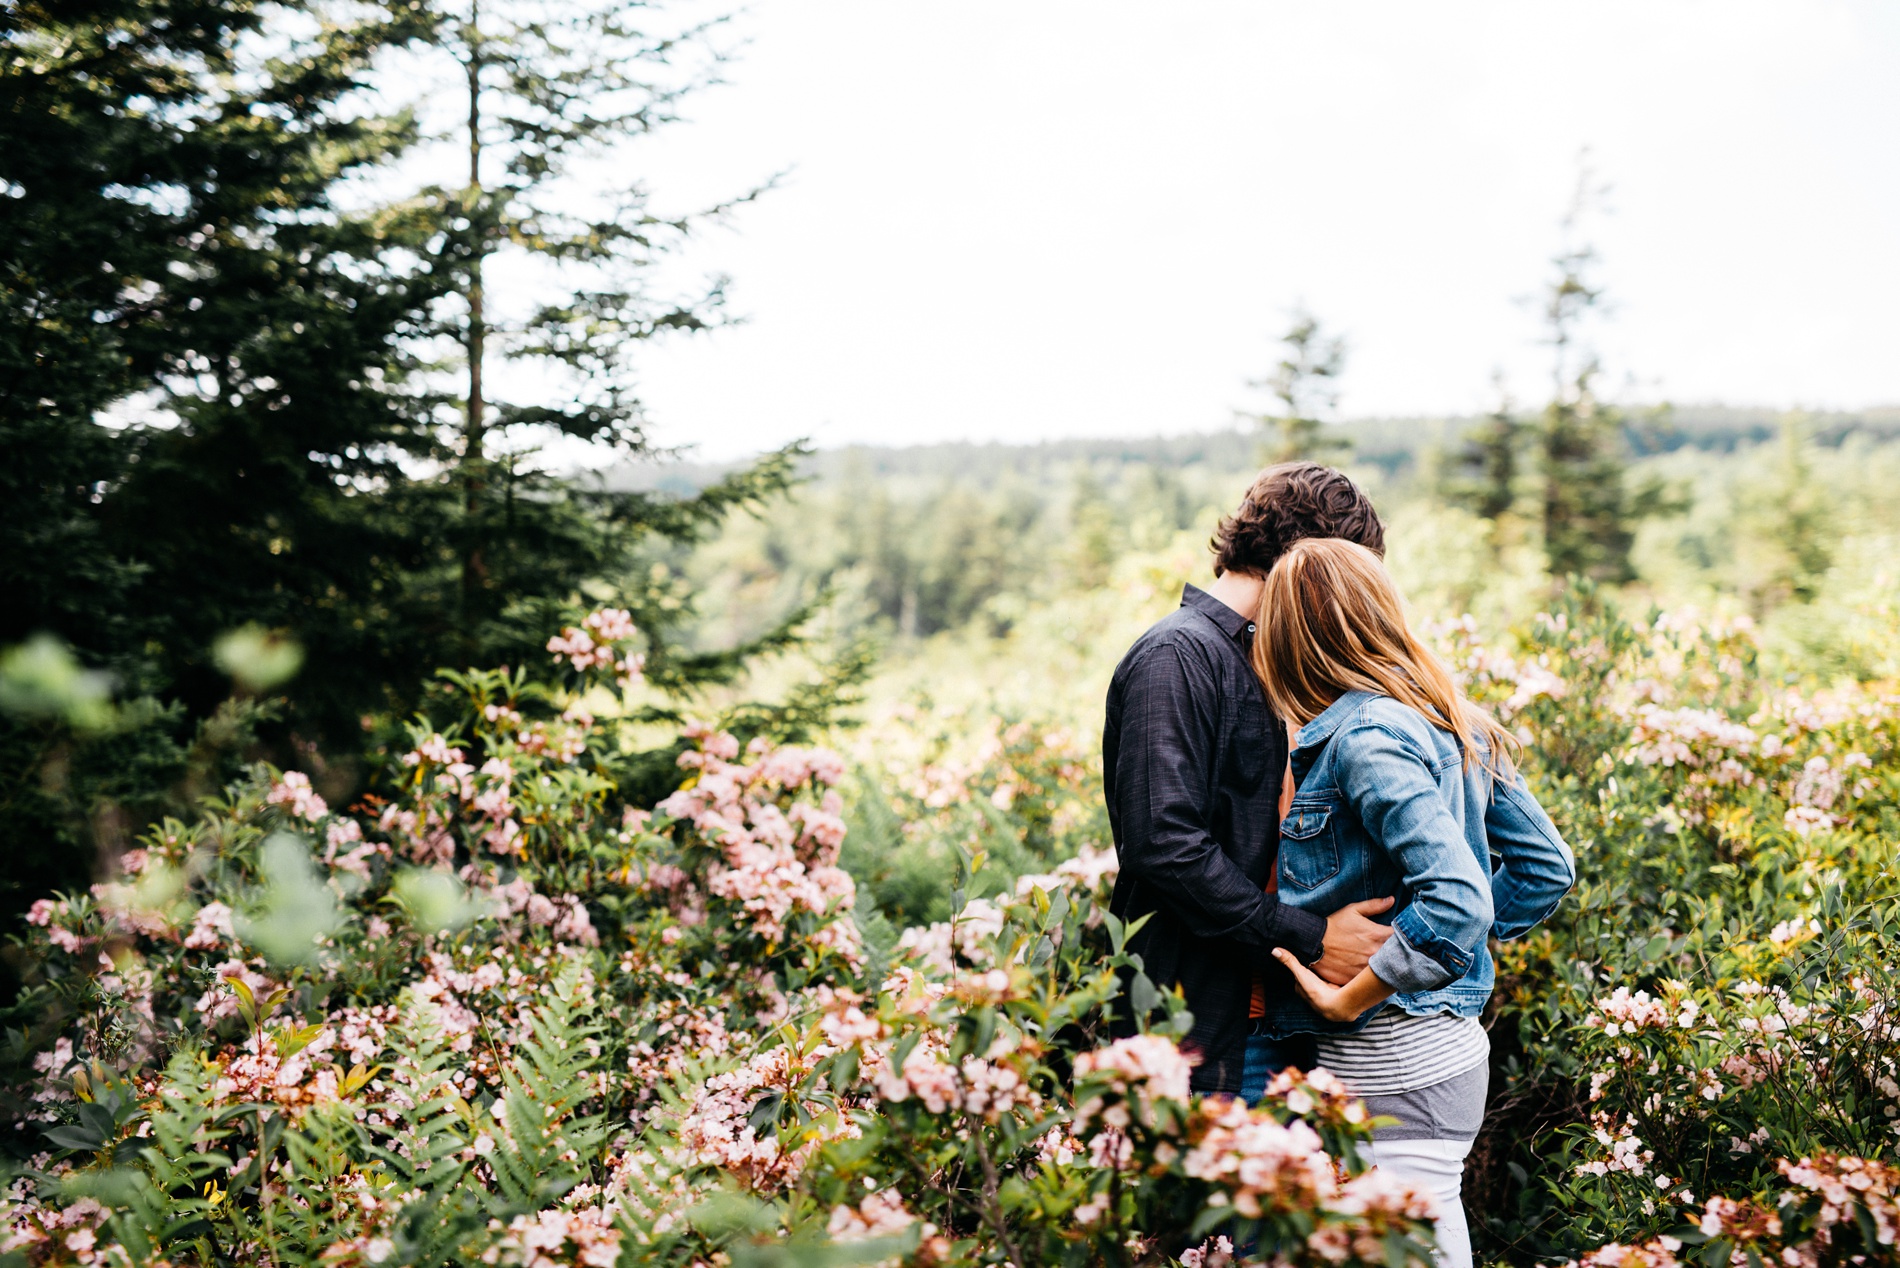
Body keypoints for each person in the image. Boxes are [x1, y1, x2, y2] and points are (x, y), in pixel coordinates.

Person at [1255, 537, 1576, 1268]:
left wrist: (1363, 992)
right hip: (1440, 1049)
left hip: (1398, 1054)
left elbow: (1460, 900)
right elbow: (1546, 868)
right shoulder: (1445, 716)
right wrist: (1439, 953)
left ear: (1291, 641)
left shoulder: (1365, 739)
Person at [1103, 462, 1397, 1100]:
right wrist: (1312, 937)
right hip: (1198, 1035)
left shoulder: (1266, 660)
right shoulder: (1177, 656)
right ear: (1306, 561)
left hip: (1277, 1028)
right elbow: (1163, 842)